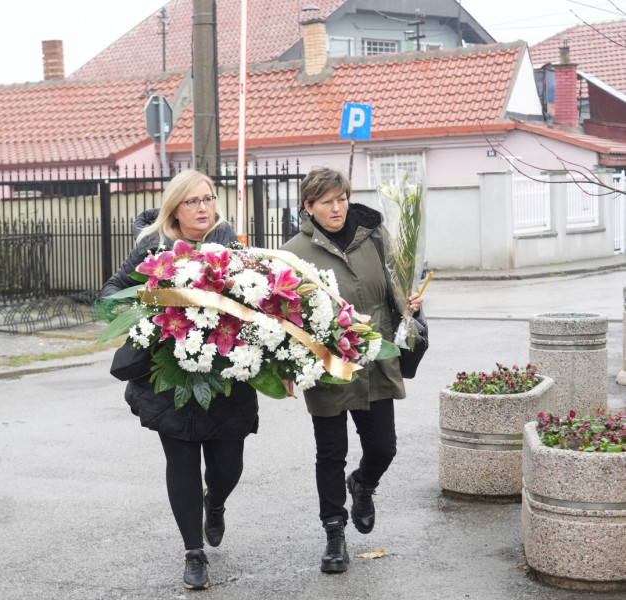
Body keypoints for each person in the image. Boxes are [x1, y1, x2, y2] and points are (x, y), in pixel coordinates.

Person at [101, 169, 259, 591]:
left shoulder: (230, 244)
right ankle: (193, 552)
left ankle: (217, 501)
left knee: (228, 465)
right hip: (168, 381)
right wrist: (148, 313)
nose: (204, 207)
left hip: (224, 377)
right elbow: (111, 292)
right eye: (193, 201)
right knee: (182, 463)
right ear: (175, 207)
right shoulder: (152, 248)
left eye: (208, 198)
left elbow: (258, 299)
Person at [280, 167, 423, 574]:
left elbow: (396, 288)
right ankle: (334, 535)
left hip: (376, 354)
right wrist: (286, 363)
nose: (337, 208)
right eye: (326, 202)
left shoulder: (376, 237)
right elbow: (284, 314)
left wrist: (409, 302)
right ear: (308, 208)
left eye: (342, 198)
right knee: (330, 452)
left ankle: (363, 484)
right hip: (325, 362)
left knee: (383, 447)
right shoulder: (293, 253)